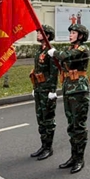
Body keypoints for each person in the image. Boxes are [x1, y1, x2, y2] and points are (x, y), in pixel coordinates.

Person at [48, 24, 90, 174]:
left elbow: (65, 57)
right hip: (68, 89)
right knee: (71, 126)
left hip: (79, 91)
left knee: (78, 126)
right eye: (70, 32)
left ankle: (80, 159)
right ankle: (73, 156)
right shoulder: (70, 48)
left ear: (80, 36)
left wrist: (55, 53)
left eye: (74, 33)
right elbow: (62, 59)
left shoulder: (83, 49)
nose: (71, 35)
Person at [29, 25, 58, 160]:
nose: (38, 34)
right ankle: (43, 145)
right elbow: (36, 70)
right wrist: (35, 88)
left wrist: (52, 90)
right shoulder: (39, 50)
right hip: (39, 88)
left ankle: (48, 147)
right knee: (40, 118)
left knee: (48, 119)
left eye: (41, 33)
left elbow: (54, 72)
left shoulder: (51, 51)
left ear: (48, 35)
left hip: (47, 90)